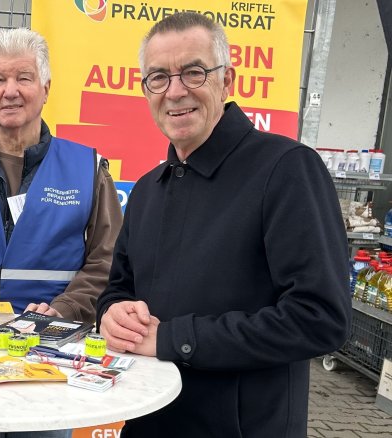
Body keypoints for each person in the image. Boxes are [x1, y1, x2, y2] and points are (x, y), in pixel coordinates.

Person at [95, 12, 351, 438]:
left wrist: (173, 338)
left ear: (227, 81)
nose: (175, 91)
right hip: (149, 421)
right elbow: (120, 287)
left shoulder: (285, 170)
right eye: (158, 77)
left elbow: (320, 318)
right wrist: (112, 314)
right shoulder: (146, 190)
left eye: (193, 72)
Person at [0, 27, 123, 324]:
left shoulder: (88, 168)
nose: (10, 91)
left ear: (46, 89)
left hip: (51, 338)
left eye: (23, 78)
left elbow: (109, 259)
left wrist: (66, 308)